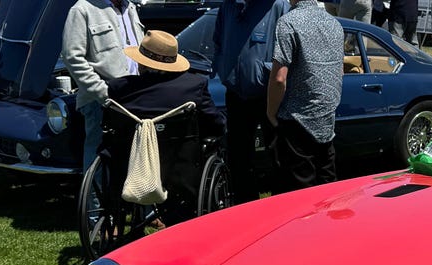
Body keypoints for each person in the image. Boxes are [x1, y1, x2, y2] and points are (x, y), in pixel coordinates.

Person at [105, 30, 226, 224]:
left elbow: (110, 123)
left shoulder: (121, 88)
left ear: (142, 61)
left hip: (130, 161)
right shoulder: (192, 86)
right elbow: (214, 122)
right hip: (180, 165)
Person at [213, 0, 289, 203]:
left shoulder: (277, 6)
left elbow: (287, 46)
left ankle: (280, 206)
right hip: (236, 92)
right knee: (238, 156)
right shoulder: (228, 6)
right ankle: (244, 206)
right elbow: (218, 39)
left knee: (276, 155)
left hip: (268, 93)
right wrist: (221, 69)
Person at [266, 0, 343, 192]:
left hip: (297, 120)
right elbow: (339, 71)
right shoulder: (335, 24)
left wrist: (270, 113)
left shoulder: (288, 23)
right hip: (326, 119)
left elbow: (279, 78)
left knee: (298, 196)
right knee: (327, 193)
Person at [61, 0, 143, 172]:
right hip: (100, 100)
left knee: (130, 158)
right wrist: (103, 92)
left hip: (134, 96)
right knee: (98, 158)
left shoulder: (130, 7)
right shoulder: (82, 9)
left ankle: (125, 198)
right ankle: (95, 199)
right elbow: (72, 57)